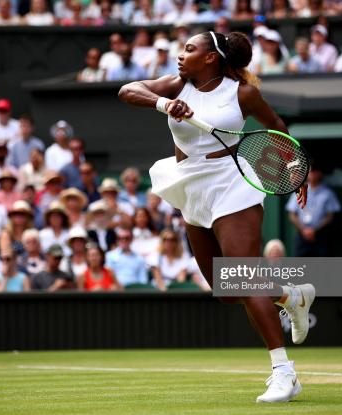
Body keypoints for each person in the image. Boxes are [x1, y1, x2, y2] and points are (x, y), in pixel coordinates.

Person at [118, 30, 314, 403]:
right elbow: (127, 91)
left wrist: (295, 165)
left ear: (210, 58)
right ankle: (292, 295)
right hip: (192, 186)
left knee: (244, 275)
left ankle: (284, 373)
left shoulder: (242, 93)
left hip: (232, 183)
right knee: (227, 291)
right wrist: (165, 104)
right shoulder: (178, 84)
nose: (182, 54)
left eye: (190, 49)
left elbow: (275, 127)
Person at [286, 162, 340, 256]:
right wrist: (304, 230)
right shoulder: (299, 190)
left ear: (320, 173)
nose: (311, 173)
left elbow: (330, 217)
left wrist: (314, 230)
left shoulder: (328, 193)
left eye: (314, 171)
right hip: (301, 237)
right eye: (310, 171)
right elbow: (292, 215)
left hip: (321, 237)